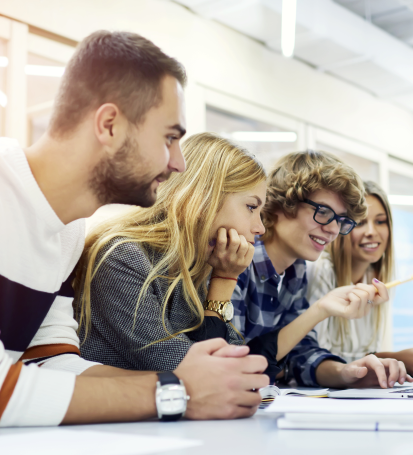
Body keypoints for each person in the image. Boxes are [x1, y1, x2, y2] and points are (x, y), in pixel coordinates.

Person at [0, 30, 267, 427]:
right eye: (170, 138)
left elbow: (51, 363)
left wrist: (186, 382)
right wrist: (173, 392)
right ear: (109, 125)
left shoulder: (67, 231)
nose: (179, 164)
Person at [75, 134, 401, 383]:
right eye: (251, 208)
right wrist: (226, 280)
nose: (258, 227)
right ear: (205, 198)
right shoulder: (124, 257)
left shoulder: (203, 266)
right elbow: (209, 371)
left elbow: (230, 358)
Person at [232, 150, 413, 389]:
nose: (333, 230)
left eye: (341, 220)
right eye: (324, 212)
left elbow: (300, 356)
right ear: (280, 204)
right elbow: (233, 364)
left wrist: (349, 373)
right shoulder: (236, 260)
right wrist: (319, 310)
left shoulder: (295, 270)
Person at [306, 180, 413, 380]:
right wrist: (393, 358)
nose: (372, 231)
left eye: (380, 221)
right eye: (361, 222)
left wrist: (397, 361)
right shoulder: (319, 270)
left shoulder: (374, 280)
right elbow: (313, 358)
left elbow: (358, 354)